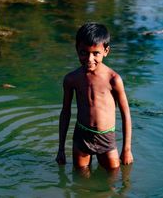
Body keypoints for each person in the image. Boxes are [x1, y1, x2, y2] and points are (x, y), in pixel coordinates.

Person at [56, 22, 133, 171]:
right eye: (84, 52)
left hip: (106, 137)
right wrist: (61, 148)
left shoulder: (113, 79)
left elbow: (126, 114)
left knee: (112, 177)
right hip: (82, 136)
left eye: (95, 53)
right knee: (80, 179)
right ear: (77, 50)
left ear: (106, 51)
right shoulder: (71, 79)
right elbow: (65, 112)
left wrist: (127, 149)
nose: (89, 59)